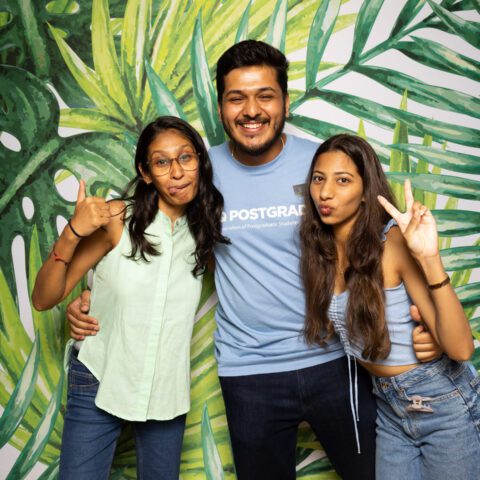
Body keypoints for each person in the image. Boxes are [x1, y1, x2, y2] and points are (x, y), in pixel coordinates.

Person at [65, 41, 441, 479]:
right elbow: (150, 238)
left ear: (285, 101)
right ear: (220, 107)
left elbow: (386, 246)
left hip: (337, 361)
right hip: (249, 372)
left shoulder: (323, 165)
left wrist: (426, 327)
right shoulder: (197, 173)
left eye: (265, 95)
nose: (251, 110)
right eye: (236, 98)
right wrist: (95, 298)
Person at [32, 116, 229, 480]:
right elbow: (44, 298)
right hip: (100, 376)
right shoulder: (117, 219)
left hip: (165, 387)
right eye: (162, 162)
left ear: (200, 161)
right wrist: (72, 232)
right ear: (146, 173)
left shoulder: (208, 228)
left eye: (186, 157)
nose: (177, 172)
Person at [301, 133, 479, 479]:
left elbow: (461, 348)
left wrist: (429, 258)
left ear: (365, 191)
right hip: (390, 408)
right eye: (319, 179)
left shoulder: (392, 241)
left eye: (343, 180)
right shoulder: (321, 251)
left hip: (442, 403)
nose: (325, 192)